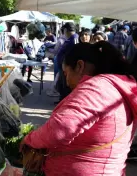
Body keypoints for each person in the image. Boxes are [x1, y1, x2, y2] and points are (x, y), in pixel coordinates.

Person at [22, 41, 137, 175]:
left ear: (79, 66)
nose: (66, 81)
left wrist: (29, 140)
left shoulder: (97, 88)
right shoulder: (115, 87)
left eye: (66, 73)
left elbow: (60, 130)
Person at [55, 22, 78, 103]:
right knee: (62, 85)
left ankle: (64, 102)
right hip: (64, 66)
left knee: (66, 86)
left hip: (67, 67)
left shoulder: (74, 39)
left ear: (65, 30)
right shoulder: (71, 38)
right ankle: (62, 100)